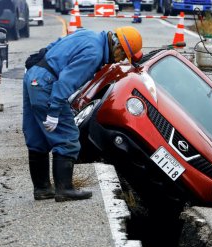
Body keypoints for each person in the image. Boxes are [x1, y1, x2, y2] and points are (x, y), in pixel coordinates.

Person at [23, 27, 143, 202]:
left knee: (36, 136)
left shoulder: (88, 34)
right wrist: (54, 110)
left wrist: (42, 55)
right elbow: (66, 82)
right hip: (46, 84)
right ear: (117, 46)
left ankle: (42, 188)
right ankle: (64, 190)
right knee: (68, 137)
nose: (121, 60)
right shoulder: (93, 55)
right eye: (123, 55)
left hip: (34, 75)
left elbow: (59, 42)